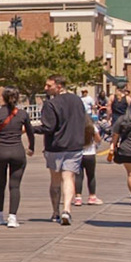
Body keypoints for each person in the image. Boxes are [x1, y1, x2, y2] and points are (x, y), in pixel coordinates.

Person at [39, 74, 90, 225]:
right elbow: (84, 120)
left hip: (55, 146)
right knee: (68, 178)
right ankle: (67, 210)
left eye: (49, 86)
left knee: (55, 180)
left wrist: (29, 129)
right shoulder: (77, 101)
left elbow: (48, 127)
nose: (46, 88)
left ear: (59, 86)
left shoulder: (50, 104)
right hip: (74, 145)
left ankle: (55, 212)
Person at [0, 88, 36, 226]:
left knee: (0, 183)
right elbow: (30, 133)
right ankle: (12, 217)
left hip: (1, 151)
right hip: (17, 151)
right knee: (15, 186)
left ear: (3, 98)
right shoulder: (22, 114)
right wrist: (31, 148)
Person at [74, 116, 103, 207]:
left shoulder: (75, 126)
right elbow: (98, 139)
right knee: (91, 176)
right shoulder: (92, 127)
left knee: (78, 176)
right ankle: (92, 197)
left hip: (78, 153)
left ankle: (78, 198)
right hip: (90, 153)